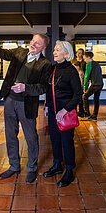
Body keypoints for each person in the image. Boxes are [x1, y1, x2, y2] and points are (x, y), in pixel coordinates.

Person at [0, 33, 51, 183]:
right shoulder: (20, 51)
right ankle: (14, 166)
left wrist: (26, 87)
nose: (33, 44)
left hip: (27, 105)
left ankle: (31, 168)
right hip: (10, 100)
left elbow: (43, 87)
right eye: (33, 40)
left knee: (31, 137)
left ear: (43, 47)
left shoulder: (46, 64)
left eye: (37, 43)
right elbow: (3, 53)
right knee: (10, 134)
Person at [43, 41, 82, 187]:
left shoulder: (71, 71)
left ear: (66, 54)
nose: (54, 52)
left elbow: (78, 94)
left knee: (67, 142)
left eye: (57, 50)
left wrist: (65, 110)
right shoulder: (53, 69)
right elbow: (49, 89)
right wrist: (47, 105)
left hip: (65, 112)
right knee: (55, 139)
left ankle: (70, 170)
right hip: (53, 111)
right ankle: (57, 164)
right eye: (54, 49)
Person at [82, 51, 104, 121]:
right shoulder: (97, 64)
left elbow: (86, 76)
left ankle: (87, 113)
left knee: (84, 96)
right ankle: (94, 116)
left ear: (88, 57)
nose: (84, 60)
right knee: (96, 99)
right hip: (100, 84)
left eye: (85, 58)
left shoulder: (89, 64)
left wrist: (85, 87)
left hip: (95, 84)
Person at [71, 48, 86, 116]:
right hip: (74, 79)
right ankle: (74, 111)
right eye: (78, 52)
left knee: (81, 97)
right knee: (73, 96)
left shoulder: (84, 62)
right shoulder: (73, 60)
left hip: (81, 80)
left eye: (80, 53)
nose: (79, 54)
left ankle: (81, 111)